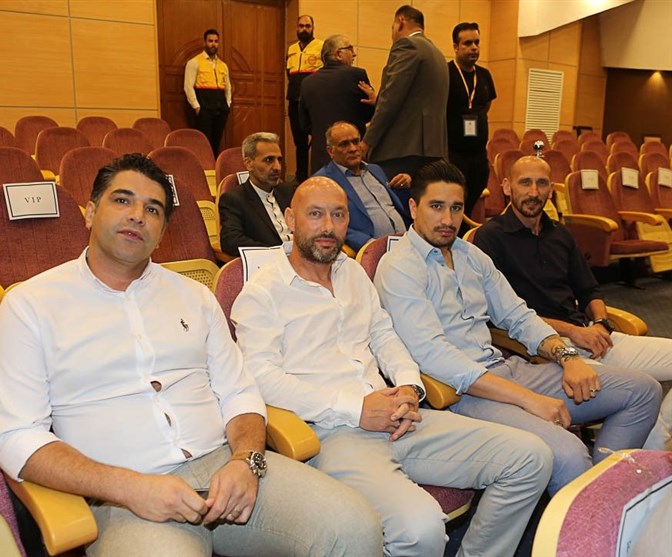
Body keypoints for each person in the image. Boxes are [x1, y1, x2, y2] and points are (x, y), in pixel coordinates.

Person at [0, 154, 383, 556]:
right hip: (122, 496)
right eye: (122, 200)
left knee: (354, 527)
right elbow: (18, 438)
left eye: (153, 209)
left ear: (163, 232)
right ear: (90, 213)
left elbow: (240, 393)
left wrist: (246, 460)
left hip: (225, 467)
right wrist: (128, 487)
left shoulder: (193, 296)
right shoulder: (31, 306)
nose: (137, 215)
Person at [232, 176, 552, 557]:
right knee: (420, 529)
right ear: (290, 219)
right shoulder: (262, 292)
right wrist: (356, 409)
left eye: (338, 215)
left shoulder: (351, 272)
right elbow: (262, 379)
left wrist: (409, 387)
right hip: (332, 433)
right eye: (315, 214)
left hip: (397, 416)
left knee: (531, 458)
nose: (328, 227)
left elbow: (384, 335)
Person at [374, 159, 661, 496]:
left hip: (507, 370)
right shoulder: (400, 266)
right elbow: (434, 356)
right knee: (569, 456)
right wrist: (529, 400)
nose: (448, 220)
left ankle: (601, 498)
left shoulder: (471, 256)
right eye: (436, 207)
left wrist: (568, 357)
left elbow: (518, 316)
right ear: (413, 207)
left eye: (456, 208)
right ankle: (592, 509)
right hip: (460, 394)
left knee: (643, 391)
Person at [473, 155, 672, 381]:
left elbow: (589, 291)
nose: (534, 192)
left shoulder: (561, 234)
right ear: (507, 187)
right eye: (525, 182)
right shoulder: (490, 237)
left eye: (542, 183)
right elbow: (500, 316)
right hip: (547, 348)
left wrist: (601, 323)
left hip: (590, 335)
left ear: (551, 190)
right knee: (641, 387)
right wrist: (573, 332)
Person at [361, 5, 449, 208]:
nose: (392, 34)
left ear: (400, 22)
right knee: (422, 209)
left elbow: (391, 98)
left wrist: (368, 141)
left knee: (392, 210)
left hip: (400, 149)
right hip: (431, 148)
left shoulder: (407, 46)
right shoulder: (437, 54)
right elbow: (416, 97)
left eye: (392, 27)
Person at [314, 121, 409, 250]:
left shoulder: (375, 170)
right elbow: (328, 224)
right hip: (371, 249)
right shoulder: (323, 182)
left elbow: (396, 207)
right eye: (344, 144)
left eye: (356, 141)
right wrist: (368, 244)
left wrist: (404, 187)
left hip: (405, 242)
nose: (353, 149)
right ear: (331, 151)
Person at [299, 34, 375, 174]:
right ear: (338, 54)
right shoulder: (357, 75)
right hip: (351, 159)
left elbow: (304, 125)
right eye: (350, 49)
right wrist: (375, 102)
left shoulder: (307, 82)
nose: (354, 54)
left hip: (320, 157)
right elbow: (369, 115)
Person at [446, 22, 496, 217]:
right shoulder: (446, 73)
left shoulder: (484, 75)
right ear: (455, 47)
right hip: (453, 153)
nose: (474, 47)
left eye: (476, 42)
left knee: (470, 205)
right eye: (467, 43)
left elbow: (486, 106)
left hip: (478, 155)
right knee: (454, 203)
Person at [219, 132, 297, 256]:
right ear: (249, 163)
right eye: (269, 160)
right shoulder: (234, 199)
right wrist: (276, 251)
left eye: (279, 160)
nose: (277, 167)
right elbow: (231, 241)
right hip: (270, 261)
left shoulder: (288, 191)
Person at [286, 15, 323, 183]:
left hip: (313, 102)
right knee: (299, 142)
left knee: (318, 140)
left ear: (313, 28)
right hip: (294, 100)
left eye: (307, 26)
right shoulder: (291, 49)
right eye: (301, 26)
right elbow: (289, 73)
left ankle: (318, 175)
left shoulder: (321, 46)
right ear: (297, 28)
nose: (304, 29)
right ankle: (301, 177)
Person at [184, 29, 231, 157]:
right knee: (204, 144)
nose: (213, 44)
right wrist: (197, 107)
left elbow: (228, 87)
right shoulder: (194, 62)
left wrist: (228, 104)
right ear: (204, 42)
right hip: (204, 109)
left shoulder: (223, 65)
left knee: (216, 144)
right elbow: (188, 87)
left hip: (221, 109)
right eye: (210, 41)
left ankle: (215, 166)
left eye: (216, 41)